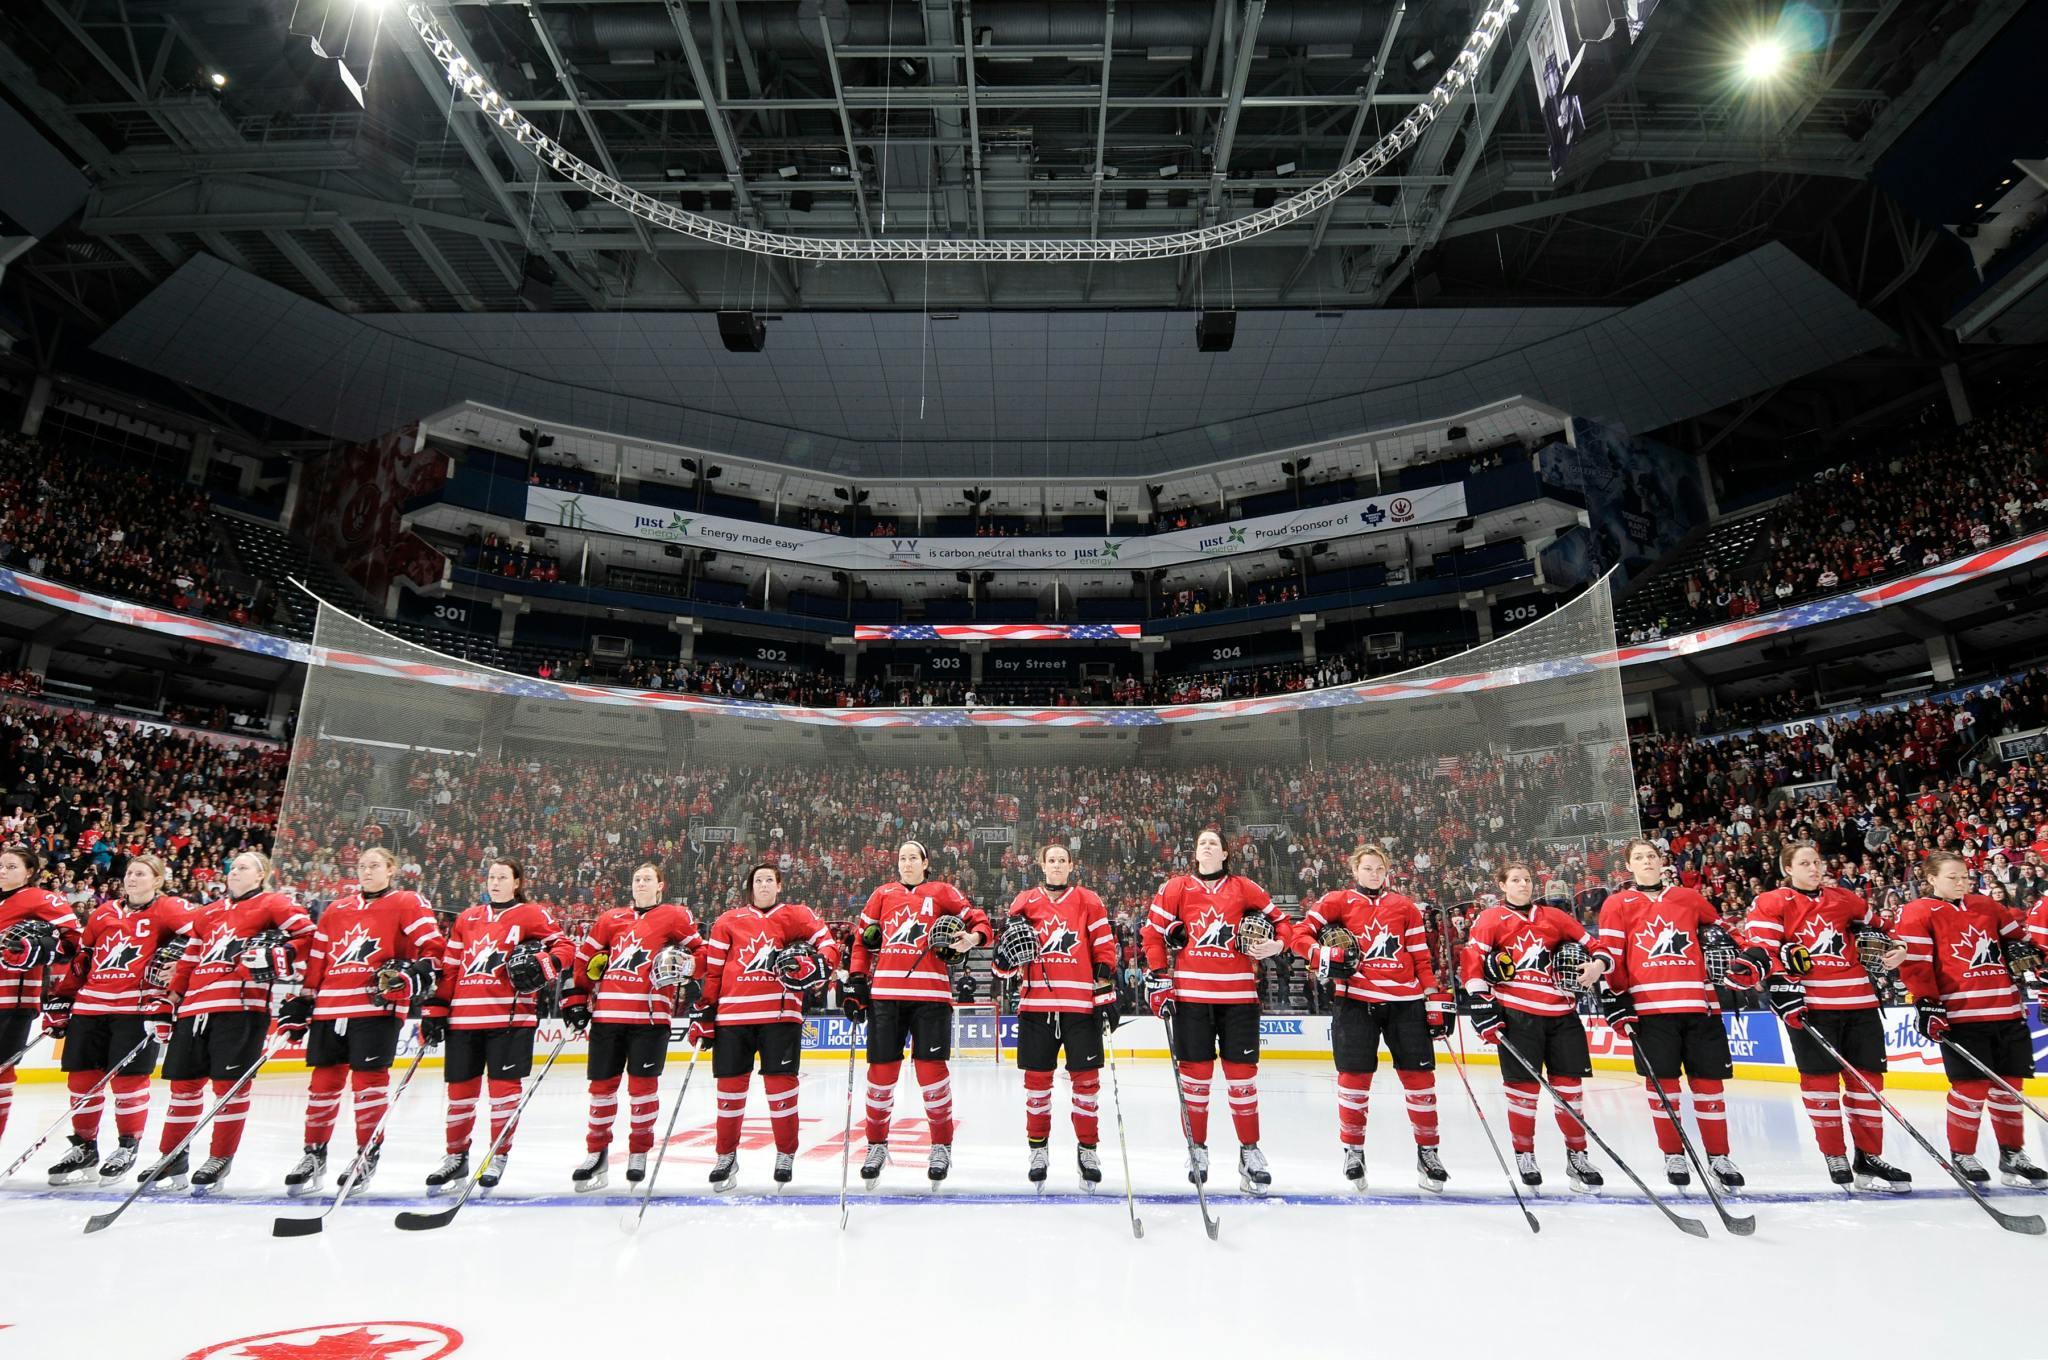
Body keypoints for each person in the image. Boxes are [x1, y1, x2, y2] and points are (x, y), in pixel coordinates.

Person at [273, 846, 444, 1196]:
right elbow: (318, 956)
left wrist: (417, 972)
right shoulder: (337, 909)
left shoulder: (407, 902)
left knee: (369, 1087)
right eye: (362, 865)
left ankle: (367, 1154)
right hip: (329, 1008)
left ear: (391, 869)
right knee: (322, 1087)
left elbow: (434, 948)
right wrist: (306, 997)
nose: (366, 871)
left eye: (375, 865)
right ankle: (313, 1155)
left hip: (375, 1007)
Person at [1746, 841, 1912, 1191]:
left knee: (1867, 1084)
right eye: (1805, 863)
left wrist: (1899, 949)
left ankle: (1869, 1155)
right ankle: (1834, 1153)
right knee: (1820, 1083)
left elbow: (1885, 928)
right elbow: (1763, 951)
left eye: (1817, 862)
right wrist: (1783, 988)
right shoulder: (1773, 902)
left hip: (1861, 1003)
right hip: (1813, 1008)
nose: (1814, 868)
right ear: (1787, 869)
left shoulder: (1844, 899)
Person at [1141, 827, 1293, 1194]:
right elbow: (1151, 933)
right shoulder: (1176, 887)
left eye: (1214, 843)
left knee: (1242, 1079)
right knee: (1195, 1080)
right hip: (1192, 997)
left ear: (1225, 853)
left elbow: (1285, 923)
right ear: (1195, 853)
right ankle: (1197, 1150)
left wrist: (1276, 945)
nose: (1207, 846)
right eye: (1201, 843)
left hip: (1239, 998)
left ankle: (1249, 1152)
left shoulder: (1244, 888)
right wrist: (1160, 977)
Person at [1595, 839, 1753, 1190]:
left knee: (1708, 1085)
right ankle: (1673, 1154)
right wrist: (1614, 998)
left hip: (1700, 1005)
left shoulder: (1688, 898)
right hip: (1650, 1011)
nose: (1647, 861)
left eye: (1651, 856)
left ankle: (1719, 1157)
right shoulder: (1618, 903)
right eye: (1639, 857)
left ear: (1661, 861)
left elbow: (1728, 933)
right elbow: (1610, 954)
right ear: (1629, 866)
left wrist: (1750, 951)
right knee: (1663, 1087)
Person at [1295, 842, 1452, 1193]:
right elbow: (1298, 935)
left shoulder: (1404, 906)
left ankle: (1429, 1153)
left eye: (1379, 869)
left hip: (1406, 1002)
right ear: (1355, 870)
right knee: (1354, 1079)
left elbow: (1420, 956)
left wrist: (1432, 997)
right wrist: (1321, 954)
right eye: (1367, 868)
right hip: (1355, 1001)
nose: (1374, 874)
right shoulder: (1337, 901)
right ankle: (1354, 1151)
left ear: (1386, 871)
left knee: (1420, 1079)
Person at [157, 850, 313, 1192]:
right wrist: (171, 999)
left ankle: (220, 1158)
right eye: (232, 866)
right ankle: (171, 1156)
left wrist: (284, 953)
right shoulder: (208, 912)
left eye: (244, 867)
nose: (234, 871)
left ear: (261, 876)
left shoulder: (274, 903)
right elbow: (188, 961)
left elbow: (309, 938)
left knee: (229, 1088)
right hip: (194, 1008)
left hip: (241, 1007)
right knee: (183, 1086)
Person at [420, 858, 574, 1193]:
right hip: (463, 1018)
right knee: (460, 1095)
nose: (495, 881)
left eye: (503, 877)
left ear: (517, 882)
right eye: (491, 876)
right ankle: (455, 1157)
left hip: (510, 1017)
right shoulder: (467, 918)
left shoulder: (531, 914)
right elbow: (450, 967)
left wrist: (546, 963)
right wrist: (436, 1007)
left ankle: (497, 1155)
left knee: (503, 1094)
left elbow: (565, 947)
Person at [845, 840, 990, 1187]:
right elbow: (862, 942)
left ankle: (941, 1146)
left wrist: (973, 938)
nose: (907, 863)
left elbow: (979, 920)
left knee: (932, 1077)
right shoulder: (882, 894)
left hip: (931, 998)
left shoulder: (942, 891)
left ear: (926, 863)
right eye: (902, 858)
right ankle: (876, 1145)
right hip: (886, 998)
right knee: (880, 1078)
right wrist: (856, 981)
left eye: (913, 858)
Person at [1898, 850, 2047, 1187]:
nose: (1962, 882)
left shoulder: (1987, 906)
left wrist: (2026, 951)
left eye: (1965, 876)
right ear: (1931, 879)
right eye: (1953, 877)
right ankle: (1962, 1153)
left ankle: (2012, 1155)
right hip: (1962, 1015)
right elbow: (1916, 964)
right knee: (1970, 1088)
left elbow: (2021, 941)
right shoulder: (1919, 911)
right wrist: (1927, 1003)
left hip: (2007, 1009)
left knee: (2009, 1088)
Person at [1459, 860, 1606, 1191]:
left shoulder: (1554, 917)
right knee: (1522, 1093)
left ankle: (1577, 1156)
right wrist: (1482, 1004)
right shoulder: (1491, 918)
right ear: (1503, 885)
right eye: (1515, 880)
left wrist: (1597, 965)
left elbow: (1596, 946)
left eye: (1526, 879)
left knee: (1570, 1092)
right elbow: (1472, 960)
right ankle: (1525, 1154)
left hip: (1562, 1016)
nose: (1523, 885)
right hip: (1517, 1015)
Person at [690, 863, 837, 1191]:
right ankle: (725, 1156)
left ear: (779, 885)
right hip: (732, 1019)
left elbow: (828, 945)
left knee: (782, 1092)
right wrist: (706, 1010)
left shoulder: (796, 915)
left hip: (780, 1017)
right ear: (750, 886)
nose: (764, 884)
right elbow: (713, 972)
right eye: (758, 880)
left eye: (770, 879)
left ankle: (785, 1154)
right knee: (729, 1094)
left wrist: (821, 963)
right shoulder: (728, 921)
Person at [45, 855, 191, 1186]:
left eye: (141, 874)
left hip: (135, 1009)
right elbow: (84, 959)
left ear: (157, 880)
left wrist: (180, 967)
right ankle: (84, 1147)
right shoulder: (104, 912)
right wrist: (64, 996)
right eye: (129, 874)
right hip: (90, 1007)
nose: (132, 879)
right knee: (81, 1082)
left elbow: (199, 940)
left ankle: (127, 1146)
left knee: (128, 1083)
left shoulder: (169, 908)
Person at [564, 861, 703, 1191]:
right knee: (601, 1091)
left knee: (642, 1091)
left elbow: (702, 950)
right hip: (606, 1017)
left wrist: (691, 967)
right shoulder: (610, 919)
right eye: (637, 879)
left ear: (660, 885)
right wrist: (575, 1000)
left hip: (650, 1019)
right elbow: (584, 960)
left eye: (648, 879)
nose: (641, 883)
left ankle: (639, 1153)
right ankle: (596, 1154)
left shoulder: (674, 916)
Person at [987, 843, 1118, 1191]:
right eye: (1051, 860)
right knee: (1037, 1085)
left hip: (1080, 1007)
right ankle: (1038, 1151)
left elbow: (1104, 948)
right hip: (1036, 1006)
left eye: (1062, 860)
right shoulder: (1025, 901)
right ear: (1042, 866)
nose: (1057, 865)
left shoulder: (1089, 900)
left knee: (1087, 1085)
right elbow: (1006, 955)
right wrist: (1002, 963)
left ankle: (1088, 1151)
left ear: (1071, 865)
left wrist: (1105, 993)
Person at [0, 848, 87, 1161]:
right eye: (0, 865)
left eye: (11, 866)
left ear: (29, 872)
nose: (3, 871)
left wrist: (43, 947)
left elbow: (76, 941)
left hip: (12, 1001)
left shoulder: (41, 898)